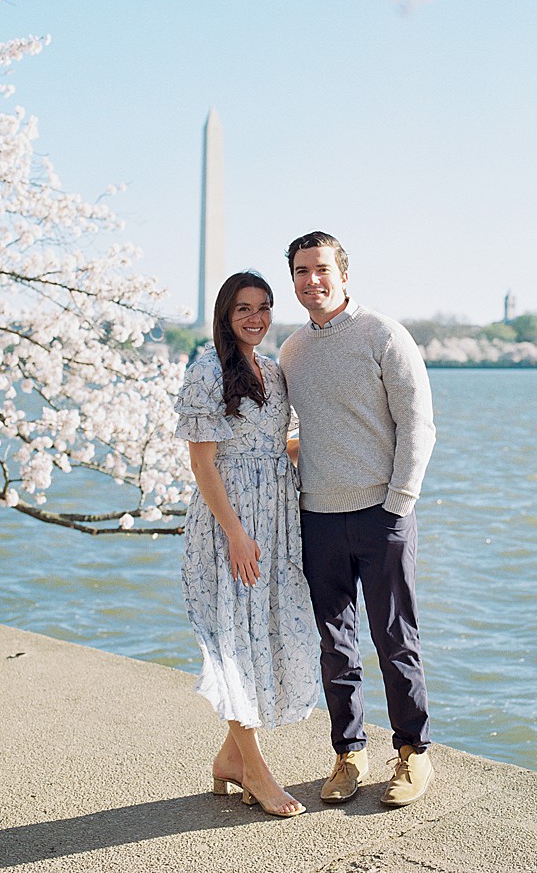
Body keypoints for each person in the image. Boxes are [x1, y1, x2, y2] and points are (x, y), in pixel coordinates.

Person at [279, 232, 436, 808]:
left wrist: (399, 503)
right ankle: (349, 752)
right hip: (318, 516)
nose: (310, 280)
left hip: (381, 514)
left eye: (320, 269)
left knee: (395, 639)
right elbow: (302, 430)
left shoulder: (384, 335)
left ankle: (413, 753)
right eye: (300, 271)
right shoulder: (292, 352)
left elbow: (418, 425)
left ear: (343, 273)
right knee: (335, 644)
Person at [174, 270, 319, 819]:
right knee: (234, 637)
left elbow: (279, 442)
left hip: (277, 519)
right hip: (230, 524)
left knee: (268, 631)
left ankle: (230, 761)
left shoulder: (276, 372)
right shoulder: (207, 371)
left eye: (263, 307)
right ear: (225, 315)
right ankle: (256, 770)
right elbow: (201, 462)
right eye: (243, 310)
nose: (255, 318)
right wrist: (236, 533)